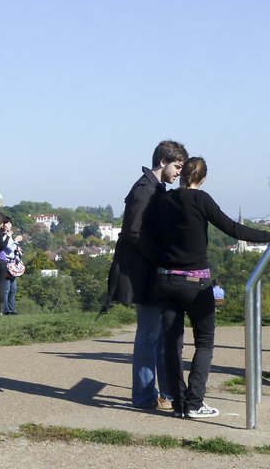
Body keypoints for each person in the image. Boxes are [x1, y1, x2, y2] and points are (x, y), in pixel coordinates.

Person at [150, 156, 270, 418]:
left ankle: (179, 405)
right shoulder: (201, 200)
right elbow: (233, 229)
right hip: (195, 282)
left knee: (172, 344)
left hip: (166, 280)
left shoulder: (163, 200)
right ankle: (194, 403)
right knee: (204, 342)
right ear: (203, 178)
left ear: (182, 176)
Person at [104, 140, 188, 410]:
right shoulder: (144, 190)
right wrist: (161, 256)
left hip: (151, 271)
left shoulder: (153, 187)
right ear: (164, 162)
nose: (178, 173)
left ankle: (165, 393)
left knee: (160, 334)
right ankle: (144, 396)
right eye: (177, 166)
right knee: (149, 335)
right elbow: (133, 232)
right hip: (144, 273)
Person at [1, 220, 23, 315]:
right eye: (8, 223)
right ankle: (6, 310)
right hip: (6, 264)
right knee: (6, 289)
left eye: (10, 223)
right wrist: (16, 241)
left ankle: (12, 308)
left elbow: (13, 249)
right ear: (3, 225)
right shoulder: (3, 236)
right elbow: (9, 248)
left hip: (13, 264)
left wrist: (17, 248)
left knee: (13, 289)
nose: (10, 225)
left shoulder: (9, 237)